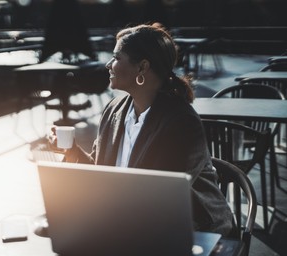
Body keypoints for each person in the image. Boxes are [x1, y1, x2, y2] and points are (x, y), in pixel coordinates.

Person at [49, 22, 235, 237]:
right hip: (132, 224)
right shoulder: (114, 110)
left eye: (117, 57)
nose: (109, 64)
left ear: (142, 67)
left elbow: (161, 199)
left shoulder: (181, 122)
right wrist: (71, 150)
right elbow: (102, 173)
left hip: (191, 230)